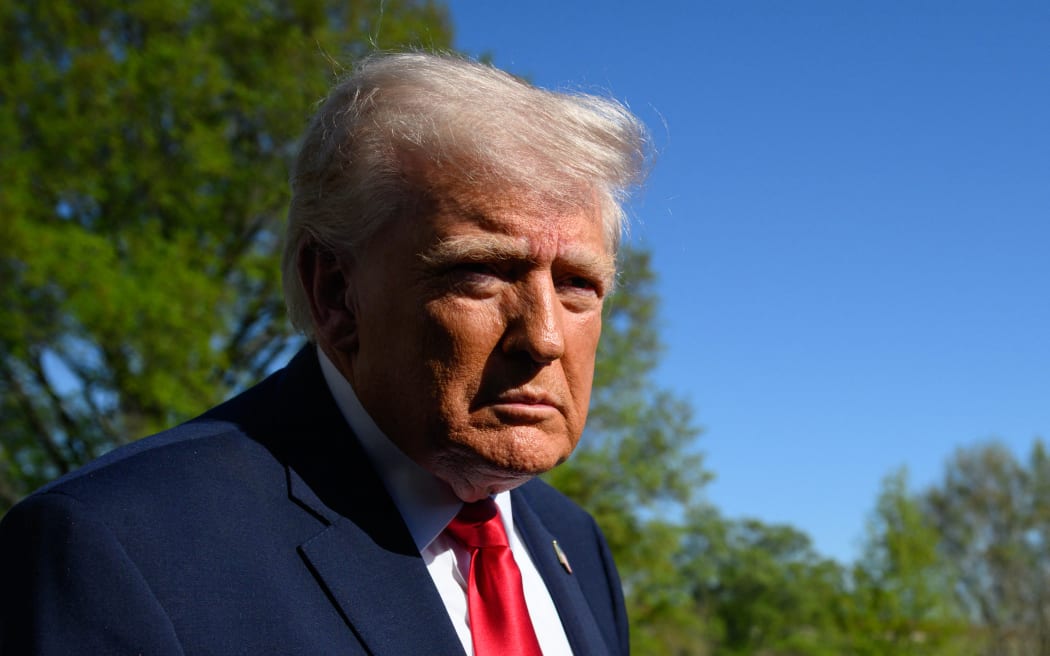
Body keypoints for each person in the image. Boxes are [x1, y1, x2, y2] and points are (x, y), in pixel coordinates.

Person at [0, 52, 648, 655]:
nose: (544, 337)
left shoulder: (576, 546)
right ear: (336, 291)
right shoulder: (116, 551)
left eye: (577, 285)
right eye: (481, 273)